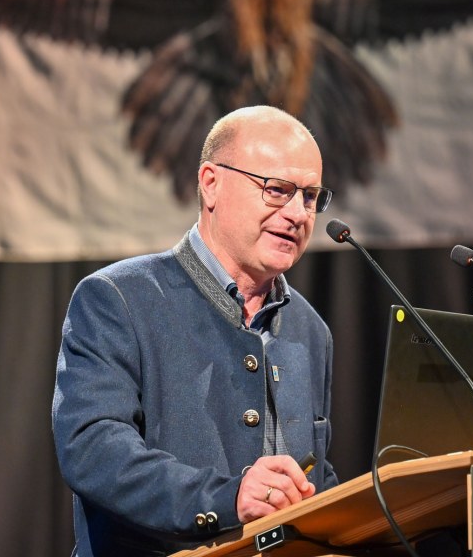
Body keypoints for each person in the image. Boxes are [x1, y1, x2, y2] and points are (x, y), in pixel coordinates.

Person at [52, 105, 339, 557]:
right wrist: (226, 498)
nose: (298, 213)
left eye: (310, 197)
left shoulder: (310, 330)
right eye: (277, 190)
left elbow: (313, 476)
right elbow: (94, 451)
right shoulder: (117, 299)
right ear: (211, 183)